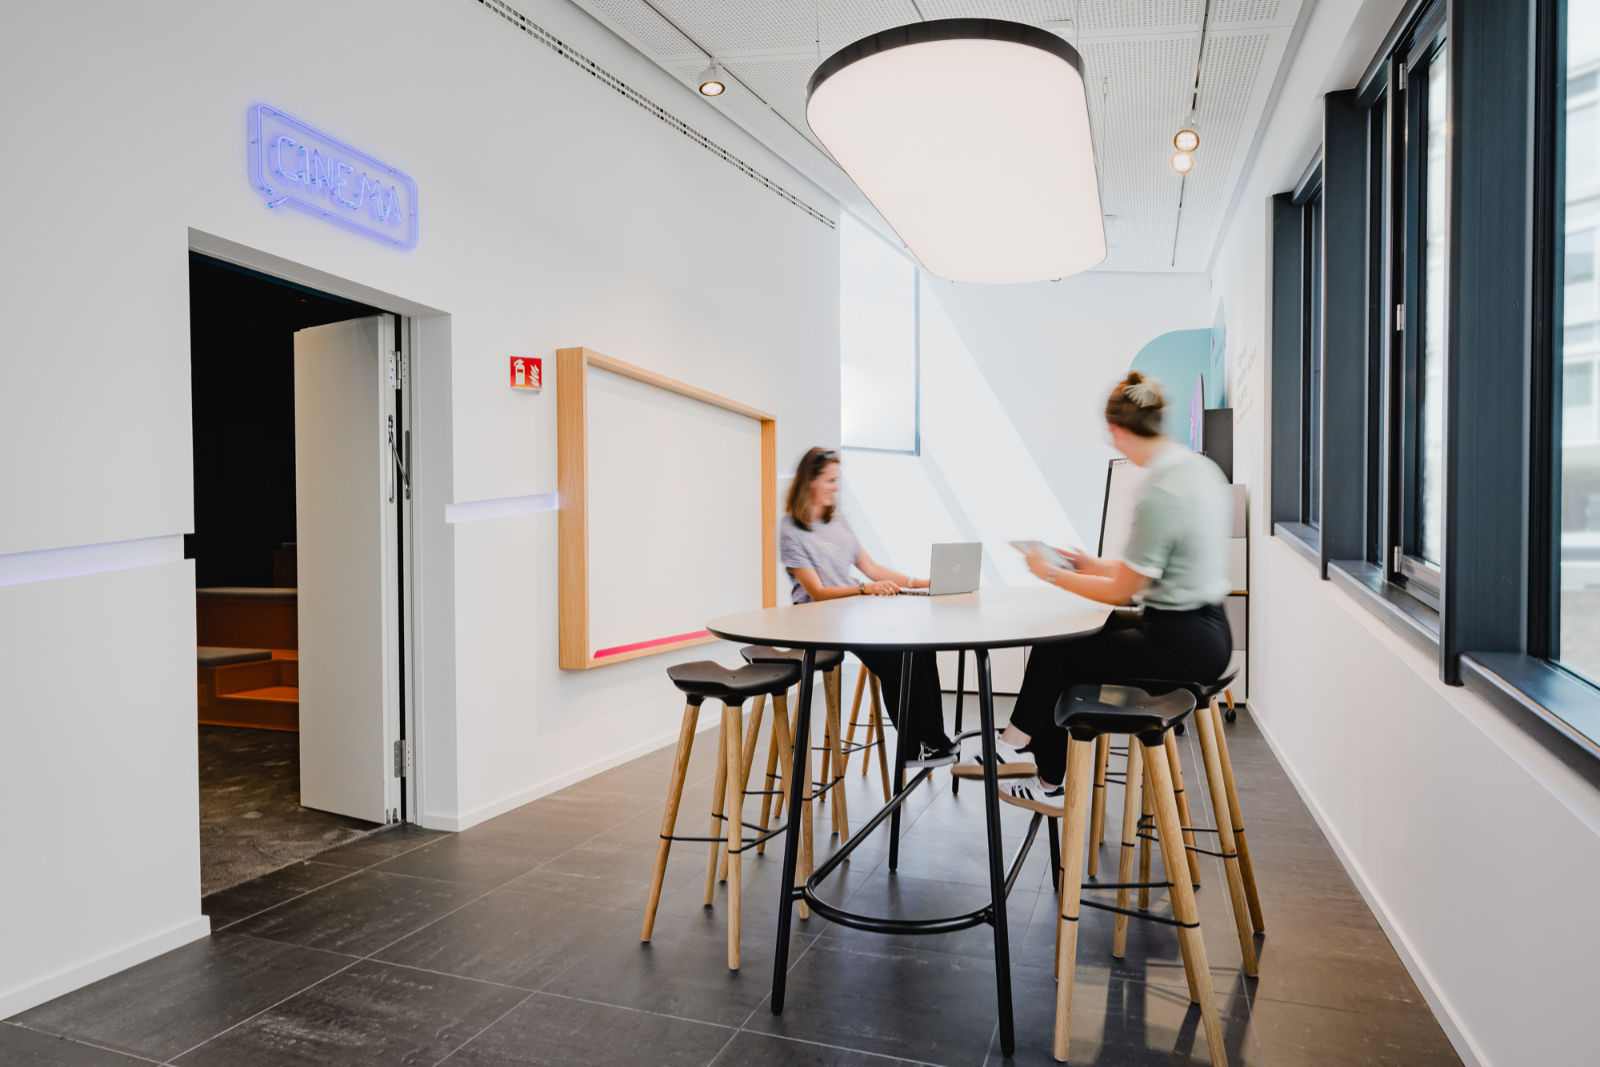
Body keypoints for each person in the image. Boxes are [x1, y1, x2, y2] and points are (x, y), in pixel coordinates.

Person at [995, 372, 1233, 810]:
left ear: (1120, 430)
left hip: (1179, 644)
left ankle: (1027, 758)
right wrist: (1091, 565)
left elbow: (1124, 591)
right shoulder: (1196, 469)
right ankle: (1029, 755)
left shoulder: (1159, 490)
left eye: (1111, 435)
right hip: (1209, 630)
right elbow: (1152, 569)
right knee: (1064, 645)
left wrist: (1048, 573)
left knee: (1058, 650)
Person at [779, 447, 959, 768]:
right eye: (830, 481)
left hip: (850, 615)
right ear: (809, 482)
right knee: (895, 659)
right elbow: (817, 592)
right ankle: (912, 746)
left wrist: (921, 582)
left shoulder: (839, 520)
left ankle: (933, 741)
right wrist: (864, 589)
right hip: (817, 624)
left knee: (921, 643)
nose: (836, 488)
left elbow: (873, 569)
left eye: (837, 480)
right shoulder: (792, 530)